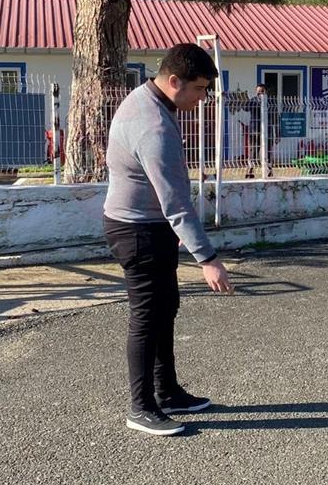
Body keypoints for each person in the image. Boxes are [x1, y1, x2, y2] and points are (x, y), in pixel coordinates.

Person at [103, 43, 234, 437]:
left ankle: (168, 391)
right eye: (199, 89)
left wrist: (171, 233)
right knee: (146, 317)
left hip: (150, 226)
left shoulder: (149, 100)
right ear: (174, 80)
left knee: (165, 308)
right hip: (137, 230)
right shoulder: (154, 126)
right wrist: (207, 258)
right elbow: (176, 202)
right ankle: (141, 408)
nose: (203, 98)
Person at [245, 84, 273, 178]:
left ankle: (268, 170)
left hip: (267, 130)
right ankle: (250, 170)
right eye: (258, 92)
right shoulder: (253, 100)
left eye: (261, 91)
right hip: (255, 130)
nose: (259, 93)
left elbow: (275, 117)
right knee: (253, 150)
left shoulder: (270, 102)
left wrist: (277, 133)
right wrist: (249, 100)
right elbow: (246, 108)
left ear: (265, 92)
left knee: (268, 151)